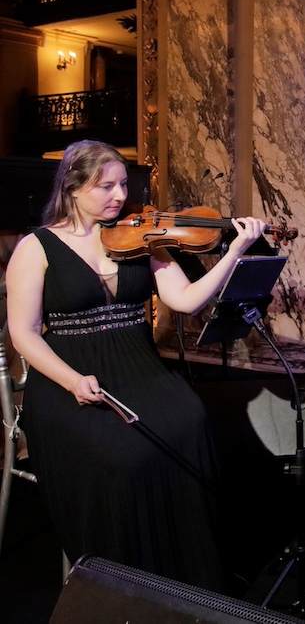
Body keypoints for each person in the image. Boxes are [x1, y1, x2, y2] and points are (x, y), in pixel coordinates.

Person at [6, 140, 268, 591]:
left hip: (139, 367)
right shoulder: (37, 246)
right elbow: (24, 333)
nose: (119, 195)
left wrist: (234, 251)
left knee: (191, 423)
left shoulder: (140, 236)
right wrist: (71, 381)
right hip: (69, 378)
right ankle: (124, 587)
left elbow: (185, 300)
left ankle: (189, 579)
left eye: (123, 184)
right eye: (105, 186)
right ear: (72, 187)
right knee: (127, 456)